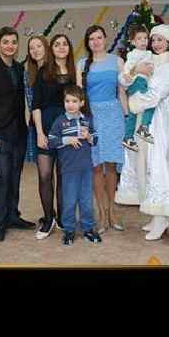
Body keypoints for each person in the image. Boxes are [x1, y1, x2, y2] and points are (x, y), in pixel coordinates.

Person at [116, 24, 169, 241]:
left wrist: (134, 103)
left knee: (157, 165)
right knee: (143, 165)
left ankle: (162, 218)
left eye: (160, 40)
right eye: (153, 40)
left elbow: (156, 94)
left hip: (157, 121)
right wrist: (134, 71)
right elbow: (123, 81)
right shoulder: (145, 59)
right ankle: (155, 216)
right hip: (140, 120)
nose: (155, 44)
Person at [0, 26, 36, 242]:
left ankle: (13, 215)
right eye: (6, 42)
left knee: (15, 175)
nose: (10, 46)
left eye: (13, 42)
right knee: (2, 177)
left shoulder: (20, 68)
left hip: (19, 132)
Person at [76, 25, 126, 233]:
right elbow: (78, 97)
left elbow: (121, 92)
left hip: (114, 115)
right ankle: (102, 214)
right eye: (91, 39)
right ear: (87, 43)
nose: (95, 42)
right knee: (96, 166)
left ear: (105, 39)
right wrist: (81, 123)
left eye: (99, 37)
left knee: (111, 165)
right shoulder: (81, 64)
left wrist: (126, 117)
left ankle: (112, 211)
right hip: (92, 117)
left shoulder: (117, 61)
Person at [31, 33, 74, 239]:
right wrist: (39, 133)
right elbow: (36, 105)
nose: (61, 47)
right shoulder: (43, 72)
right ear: (52, 48)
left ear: (69, 48)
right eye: (57, 44)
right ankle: (49, 219)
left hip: (68, 130)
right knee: (45, 175)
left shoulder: (74, 72)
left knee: (63, 176)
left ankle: (64, 219)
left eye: (65, 44)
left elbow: (79, 103)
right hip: (46, 130)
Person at [47, 85, 101, 246]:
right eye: (67, 101)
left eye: (74, 101)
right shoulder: (60, 121)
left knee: (86, 201)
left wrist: (89, 136)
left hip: (86, 168)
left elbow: (95, 140)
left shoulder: (87, 120)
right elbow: (51, 141)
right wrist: (67, 140)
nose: (70, 104)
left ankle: (88, 228)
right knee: (69, 201)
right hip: (69, 169)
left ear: (82, 103)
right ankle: (69, 230)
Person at [121, 25, 156, 152]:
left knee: (133, 113)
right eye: (139, 39)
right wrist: (127, 74)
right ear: (133, 42)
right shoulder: (133, 54)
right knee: (152, 102)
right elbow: (128, 68)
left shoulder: (149, 53)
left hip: (143, 82)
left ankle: (128, 137)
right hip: (137, 83)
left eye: (145, 38)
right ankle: (144, 127)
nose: (143, 41)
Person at [24, 35, 49, 163]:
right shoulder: (28, 75)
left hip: (55, 123)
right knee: (43, 169)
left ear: (46, 48)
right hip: (37, 125)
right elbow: (30, 104)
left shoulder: (54, 70)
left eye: (39, 46)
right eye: (31, 48)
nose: (35, 50)